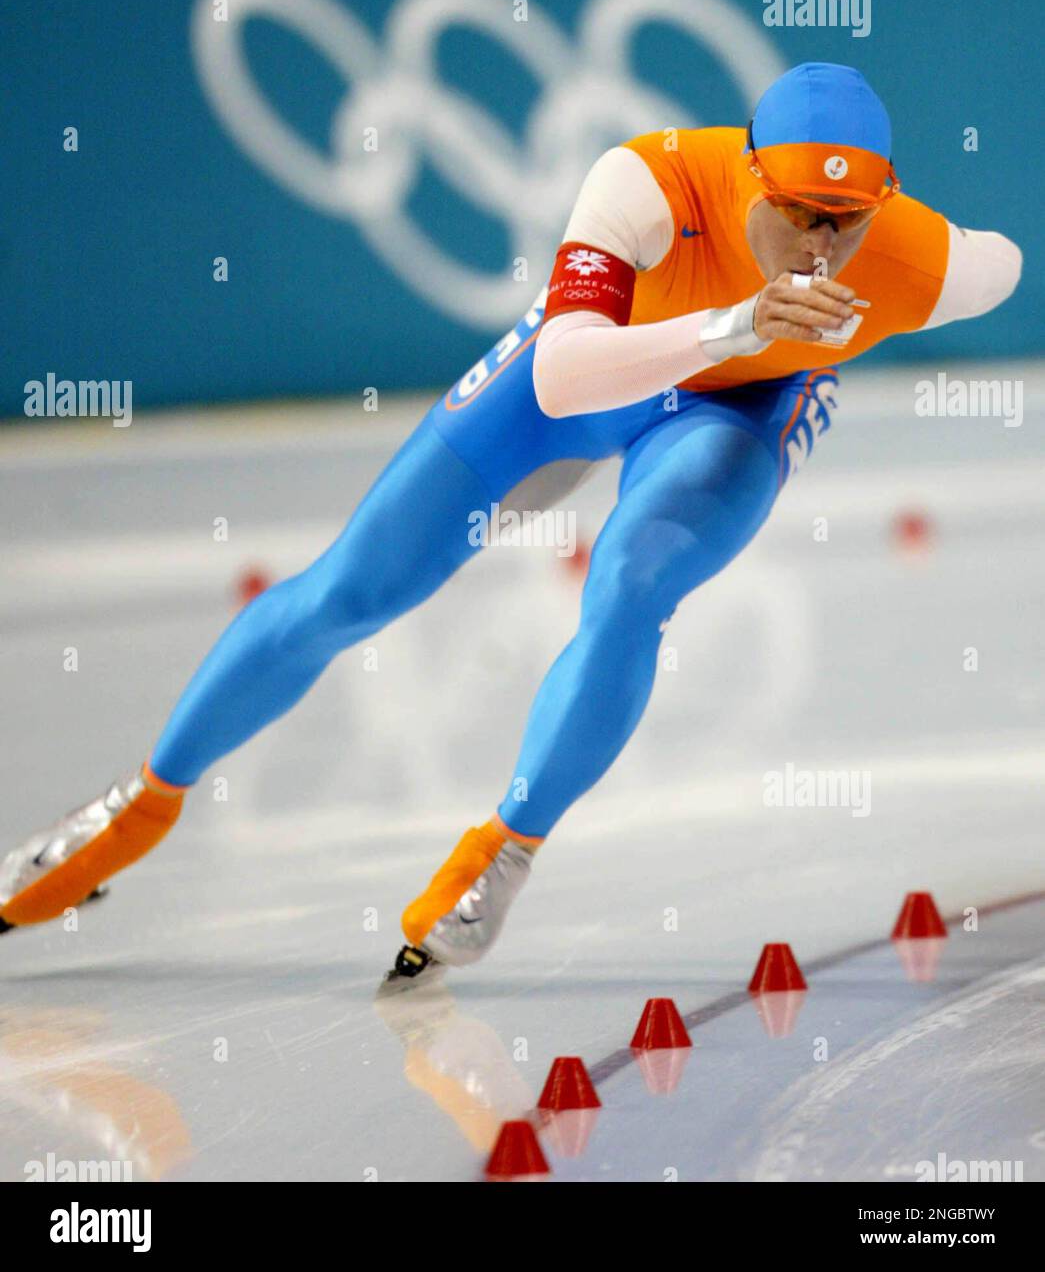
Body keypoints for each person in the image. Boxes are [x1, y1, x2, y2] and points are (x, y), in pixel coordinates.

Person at [0, 64, 1021, 984]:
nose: (818, 243)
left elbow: (1007, 260)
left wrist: (767, 352)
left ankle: (507, 847)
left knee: (629, 584)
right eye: (797, 212)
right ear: (750, 179)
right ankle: (141, 802)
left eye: (843, 222)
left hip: (734, 409)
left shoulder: (925, 261)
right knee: (355, 587)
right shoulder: (650, 183)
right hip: (598, 366)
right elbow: (563, 373)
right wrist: (735, 324)